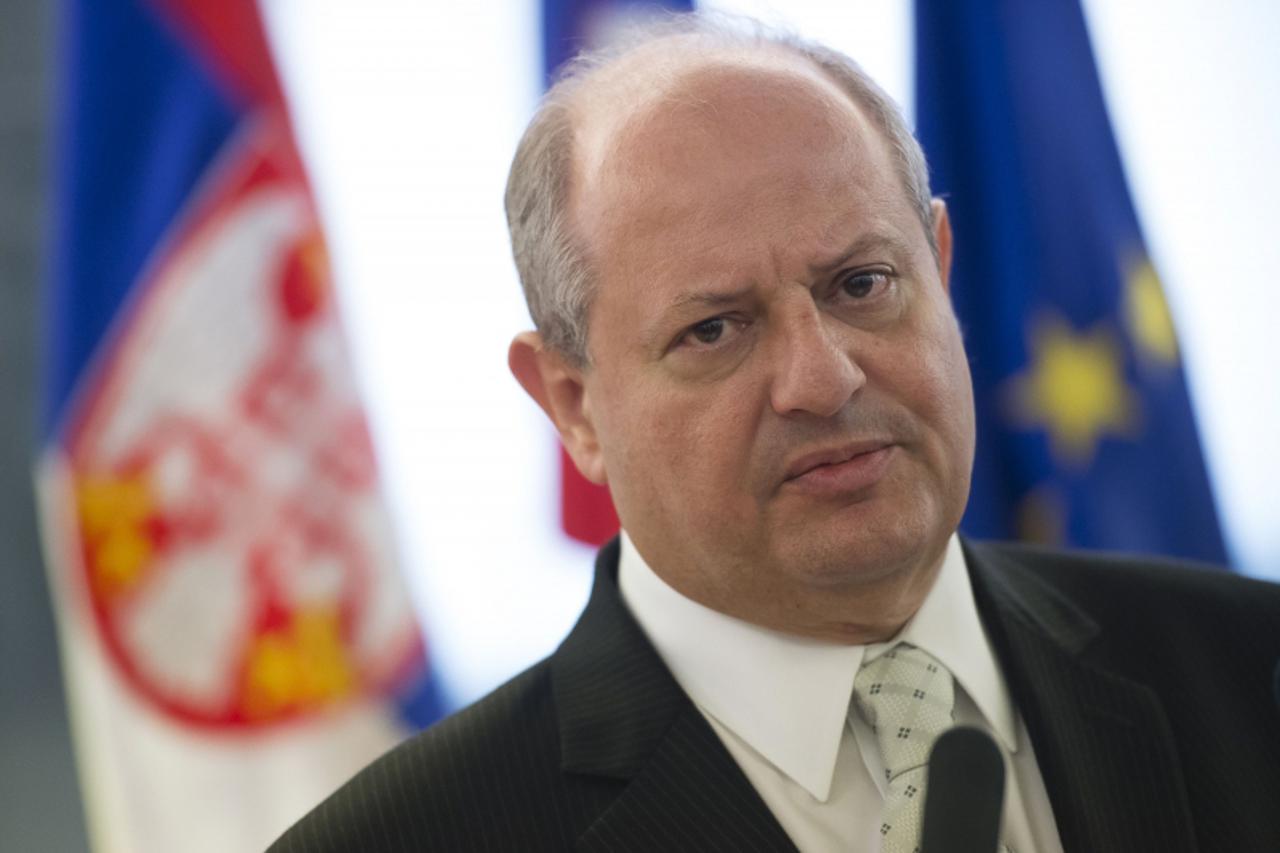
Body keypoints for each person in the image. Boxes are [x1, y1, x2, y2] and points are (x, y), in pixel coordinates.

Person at [270, 15, 1280, 853]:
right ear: (574, 406)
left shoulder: (1250, 671)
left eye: (860, 285)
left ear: (938, 267)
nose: (822, 376)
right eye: (713, 329)